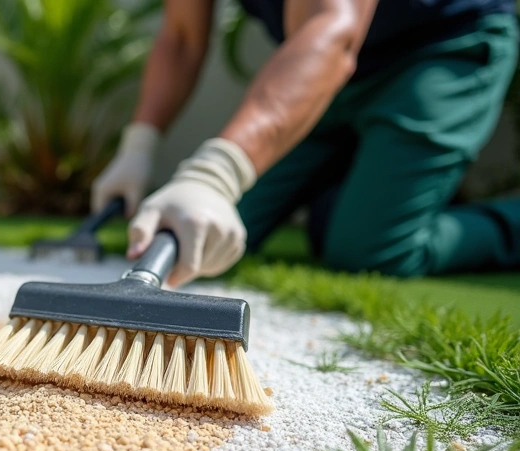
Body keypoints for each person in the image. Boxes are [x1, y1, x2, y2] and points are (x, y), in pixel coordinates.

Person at [92, 0, 520, 287]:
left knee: (369, 252)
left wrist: (215, 173)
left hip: (440, 47)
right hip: (315, 71)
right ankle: (351, 197)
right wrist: (138, 148)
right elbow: (182, 38)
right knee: (210, 233)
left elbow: (330, 28)